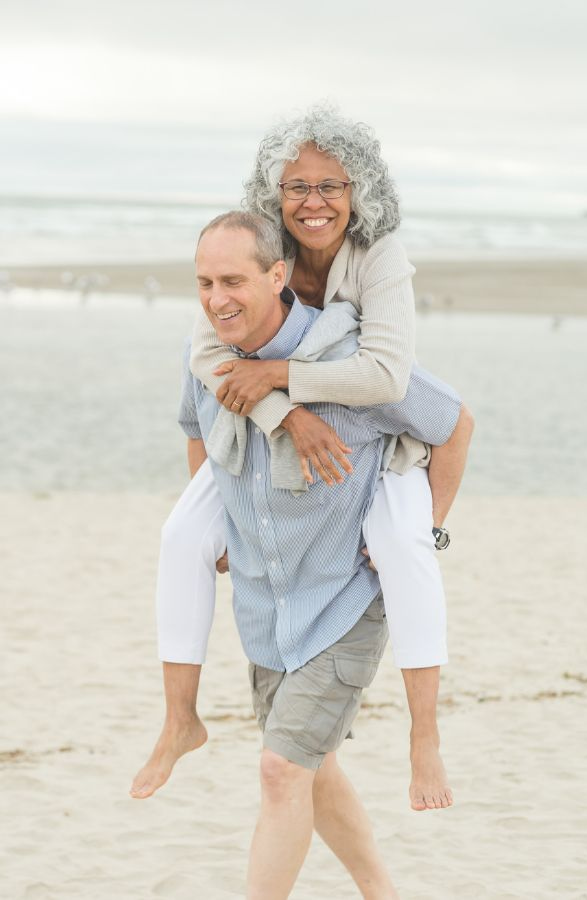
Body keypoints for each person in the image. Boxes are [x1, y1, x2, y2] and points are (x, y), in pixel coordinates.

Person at [130, 106, 474, 810]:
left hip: (377, 427)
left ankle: (425, 736)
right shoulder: (252, 254)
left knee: (403, 550)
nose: (313, 202)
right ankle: (178, 719)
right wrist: (280, 412)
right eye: (296, 187)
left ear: (359, 190)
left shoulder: (380, 258)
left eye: (330, 185)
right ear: (274, 194)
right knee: (179, 537)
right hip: (254, 425)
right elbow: (205, 356)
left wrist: (284, 380)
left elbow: (383, 377)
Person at [167, 212, 464, 898]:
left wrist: (427, 532)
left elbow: (453, 426)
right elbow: (196, 428)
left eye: (233, 280)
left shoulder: (350, 360)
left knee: (280, 770)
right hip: (267, 604)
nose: (217, 299)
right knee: (309, 763)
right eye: (206, 283)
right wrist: (212, 525)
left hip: (346, 599)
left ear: (277, 275)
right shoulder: (208, 355)